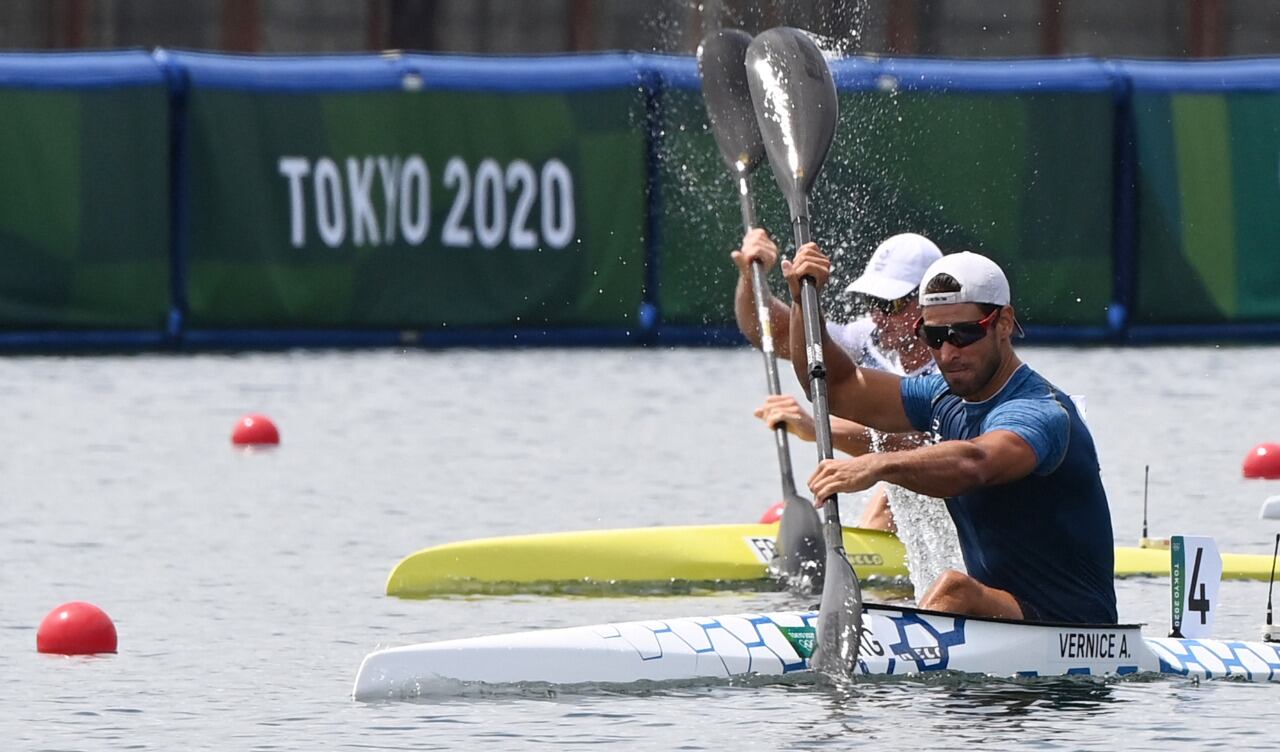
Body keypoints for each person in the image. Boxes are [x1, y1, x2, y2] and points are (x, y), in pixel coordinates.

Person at [780, 243, 1117, 625]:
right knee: (956, 592)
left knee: (955, 589)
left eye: (963, 334)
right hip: (1004, 620)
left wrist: (878, 465)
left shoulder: (1040, 411)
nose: (947, 353)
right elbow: (835, 386)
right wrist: (803, 303)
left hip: (1076, 628)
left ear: (1004, 323)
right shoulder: (940, 396)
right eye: (934, 335)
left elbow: (976, 462)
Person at [732, 229, 940, 531]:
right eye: (873, 301)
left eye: (891, 305)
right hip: (908, 493)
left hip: (953, 494)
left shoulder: (954, 364)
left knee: (891, 491)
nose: (878, 316)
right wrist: (753, 278)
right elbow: (777, 335)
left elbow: (920, 446)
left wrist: (817, 428)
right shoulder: (867, 339)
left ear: (930, 301)